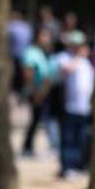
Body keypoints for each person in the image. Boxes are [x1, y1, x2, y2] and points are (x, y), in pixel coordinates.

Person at [57, 30, 95, 180]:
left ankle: (77, 166)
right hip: (70, 107)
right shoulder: (64, 57)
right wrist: (79, 57)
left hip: (85, 108)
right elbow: (66, 70)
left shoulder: (86, 62)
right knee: (69, 139)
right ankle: (66, 167)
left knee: (82, 139)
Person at [23, 27, 62, 157]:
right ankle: (28, 147)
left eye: (48, 36)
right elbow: (29, 73)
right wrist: (35, 92)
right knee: (37, 119)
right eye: (44, 35)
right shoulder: (32, 52)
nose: (47, 39)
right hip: (37, 91)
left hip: (45, 91)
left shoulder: (45, 53)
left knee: (39, 119)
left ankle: (30, 146)